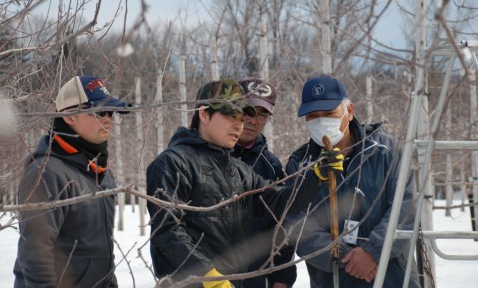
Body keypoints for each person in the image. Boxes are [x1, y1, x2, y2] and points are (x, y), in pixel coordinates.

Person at [146, 78, 326, 288]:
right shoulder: (172, 164)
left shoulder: (239, 171)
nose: (239, 125)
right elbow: (167, 231)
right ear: (204, 114)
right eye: (231, 115)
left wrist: (315, 177)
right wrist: (207, 275)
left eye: (241, 118)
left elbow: (278, 203)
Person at [285, 74, 420, 288]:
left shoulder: (386, 150)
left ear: (349, 111)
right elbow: (297, 224)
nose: (321, 121)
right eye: (312, 116)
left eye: (329, 113)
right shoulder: (300, 164)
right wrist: (344, 257)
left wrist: (374, 251)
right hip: (333, 279)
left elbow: (407, 206)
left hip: (391, 275)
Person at [13, 75, 130, 288]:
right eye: (98, 112)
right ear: (69, 116)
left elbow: (100, 253)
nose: (108, 119)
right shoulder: (46, 173)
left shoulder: (102, 173)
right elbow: (35, 257)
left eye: (110, 112)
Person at [233, 77, 296, 288]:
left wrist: (282, 278)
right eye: (247, 110)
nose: (253, 120)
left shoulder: (271, 166)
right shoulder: (204, 158)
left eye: (262, 114)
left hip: (256, 277)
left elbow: (282, 224)